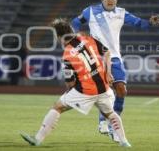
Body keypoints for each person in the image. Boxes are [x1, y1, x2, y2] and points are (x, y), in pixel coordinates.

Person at [20, 18, 131, 147]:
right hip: (104, 87)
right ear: (71, 30)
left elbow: (70, 84)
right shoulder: (87, 38)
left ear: (59, 36)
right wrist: (107, 73)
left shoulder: (67, 55)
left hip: (86, 91)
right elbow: (106, 52)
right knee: (110, 113)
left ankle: (37, 139)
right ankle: (124, 142)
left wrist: (70, 93)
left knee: (58, 107)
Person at [71, 0, 159, 140]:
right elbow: (75, 22)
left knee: (121, 91)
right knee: (105, 91)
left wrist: (150, 22)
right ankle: (104, 123)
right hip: (97, 58)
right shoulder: (90, 11)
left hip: (115, 58)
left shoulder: (121, 13)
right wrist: (77, 36)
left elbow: (139, 23)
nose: (110, 0)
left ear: (116, 0)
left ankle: (109, 123)